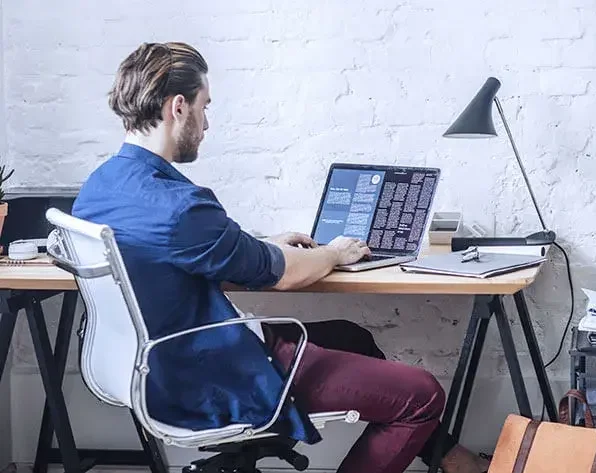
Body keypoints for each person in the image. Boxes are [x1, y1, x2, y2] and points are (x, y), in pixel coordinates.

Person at [71, 41, 490, 473]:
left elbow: (179, 249)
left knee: (353, 336)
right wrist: (332, 252)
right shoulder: (182, 207)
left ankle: (454, 461)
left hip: (155, 366)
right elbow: (283, 276)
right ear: (178, 107)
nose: (207, 122)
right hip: (211, 370)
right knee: (421, 395)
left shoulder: (101, 187)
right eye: (204, 105)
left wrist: (256, 243)